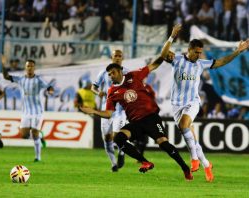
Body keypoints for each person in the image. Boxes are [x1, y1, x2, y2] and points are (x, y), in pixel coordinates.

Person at [81, 24, 193, 180]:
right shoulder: (112, 92)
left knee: (163, 143)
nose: (111, 76)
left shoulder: (135, 75)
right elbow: (108, 113)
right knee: (118, 138)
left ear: (119, 71)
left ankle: (185, 168)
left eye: (112, 73)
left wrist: (171, 37)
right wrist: (93, 111)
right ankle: (145, 162)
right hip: (135, 123)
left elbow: (156, 63)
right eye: (109, 74)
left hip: (151, 117)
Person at [161, 29, 249, 182]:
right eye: (196, 52)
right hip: (177, 105)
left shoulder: (201, 64)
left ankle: (194, 159)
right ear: (189, 50)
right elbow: (163, 55)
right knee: (191, 138)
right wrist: (172, 36)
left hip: (193, 102)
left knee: (184, 126)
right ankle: (207, 164)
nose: (199, 55)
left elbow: (221, 62)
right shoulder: (177, 60)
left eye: (200, 52)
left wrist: (237, 52)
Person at [2, 59, 54, 162]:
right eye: (28, 66)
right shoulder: (20, 79)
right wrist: (3, 65)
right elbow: (6, 77)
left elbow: (49, 86)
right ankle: (40, 136)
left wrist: (50, 90)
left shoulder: (39, 80)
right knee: (24, 135)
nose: (29, 68)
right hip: (25, 112)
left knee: (34, 133)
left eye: (31, 66)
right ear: (25, 68)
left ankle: (37, 157)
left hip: (37, 111)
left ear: (34, 68)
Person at [91, 49, 128, 172]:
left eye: (119, 56)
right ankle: (113, 164)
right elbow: (93, 87)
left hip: (121, 110)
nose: (117, 57)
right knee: (107, 138)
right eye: (115, 56)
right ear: (111, 58)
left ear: (122, 58)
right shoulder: (103, 73)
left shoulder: (127, 73)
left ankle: (122, 153)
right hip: (106, 110)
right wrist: (98, 92)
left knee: (117, 136)